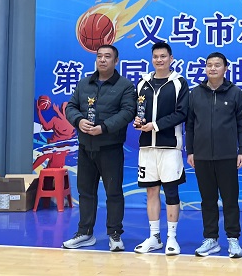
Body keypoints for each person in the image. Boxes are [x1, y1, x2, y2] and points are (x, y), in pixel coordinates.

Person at [62, 45, 136, 250]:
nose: (102, 60)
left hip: (110, 148)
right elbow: (71, 106)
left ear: (116, 61)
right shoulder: (84, 83)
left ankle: (114, 234)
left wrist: (104, 128)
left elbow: (128, 112)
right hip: (86, 147)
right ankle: (85, 232)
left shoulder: (125, 86)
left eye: (107, 56)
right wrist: (78, 121)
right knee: (86, 192)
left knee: (114, 193)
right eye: (99, 56)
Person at [186, 52, 242, 258]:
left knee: (230, 199)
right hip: (202, 156)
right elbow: (190, 125)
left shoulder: (235, 93)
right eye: (209, 65)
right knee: (207, 200)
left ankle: (233, 239)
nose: (212, 68)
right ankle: (211, 238)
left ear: (225, 69)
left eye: (217, 65)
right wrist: (190, 151)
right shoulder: (195, 93)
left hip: (227, 156)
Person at [133, 42, 189, 255]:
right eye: (155, 56)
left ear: (171, 58)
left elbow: (182, 113)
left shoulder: (179, 83)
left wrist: (155, 125)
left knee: (171, 192)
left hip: (170, 147)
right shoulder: (143, 83)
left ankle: (171, 238)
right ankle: (154, 237)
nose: (159, 60)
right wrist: (138, 121)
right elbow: (137, 110)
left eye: (163, 56)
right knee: (151, 191)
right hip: (147, 147)